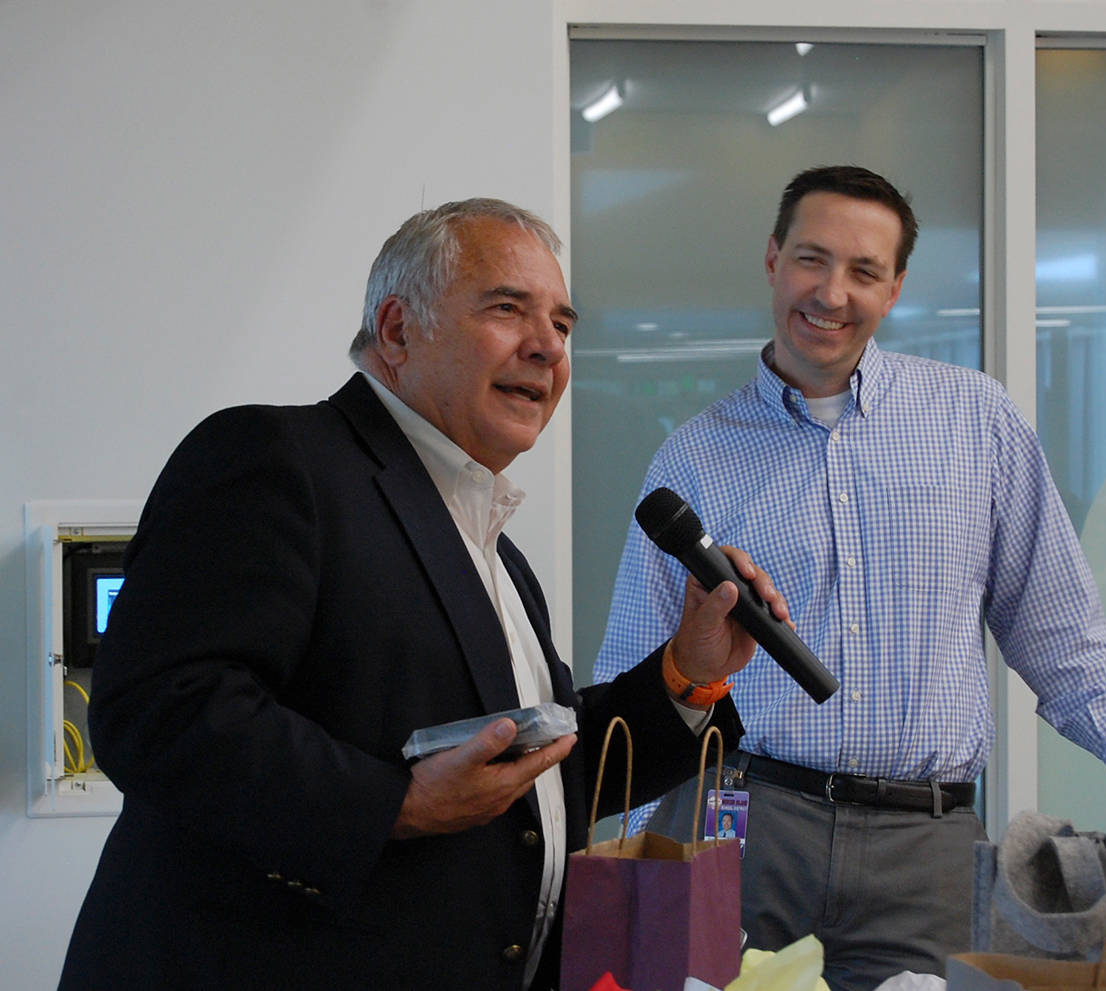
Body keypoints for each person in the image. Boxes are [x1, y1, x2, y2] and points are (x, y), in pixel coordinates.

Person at [59, 198, 789, 991]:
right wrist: (392, 803)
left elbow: (540, 774)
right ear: (400, 330)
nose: (547, 346)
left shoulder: (495, 552)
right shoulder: (277, 460)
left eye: (563, 324)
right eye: (509, 309)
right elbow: (159, 711)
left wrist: (687, 673)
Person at [593, 166, 1106, 991]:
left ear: (896, 285)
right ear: (772, 258)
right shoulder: (695, 454)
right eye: (811, 258)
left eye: (864, 271)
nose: (832, 292)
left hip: (927, 846)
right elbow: (631, 673)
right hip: (746, 824)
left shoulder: (975, 421)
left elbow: (1057, 636)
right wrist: (599, 858)